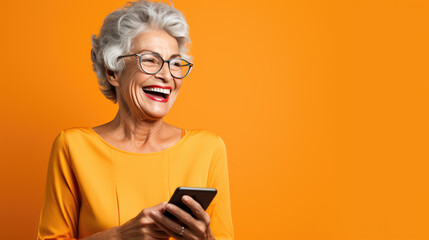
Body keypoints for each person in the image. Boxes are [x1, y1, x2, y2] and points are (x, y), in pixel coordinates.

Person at [34, 1, 234, 239]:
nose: (166, 75)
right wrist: (120, 235)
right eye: (150, 60)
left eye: (175, 63)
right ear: (113, 72)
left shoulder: (208, 149)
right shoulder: (73, 147)